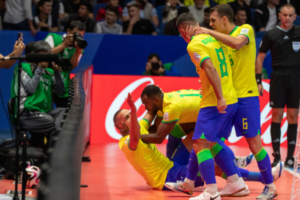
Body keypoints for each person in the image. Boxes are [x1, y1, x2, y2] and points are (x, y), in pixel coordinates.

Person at [181, 4, 278, 199]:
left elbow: (237, 43)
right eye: (209, 22)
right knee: (206, 141)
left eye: (213, 21)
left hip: (246, 98)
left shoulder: (245, 29)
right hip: (229, 97)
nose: (211, 24)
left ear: (224, 19)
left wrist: (207, 31)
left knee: (254, 144)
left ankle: (270, 186)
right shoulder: (218, 41)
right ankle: (227, 182)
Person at [115, 93, 283, 192]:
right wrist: (134, 110)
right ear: (121, 126)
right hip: (167, 177)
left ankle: (232, 161)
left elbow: (150, 113)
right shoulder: (126, 141)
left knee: (197, 135)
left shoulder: (139, 126)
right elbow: (137, 138)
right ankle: (260, 177)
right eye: (128, 117)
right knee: (210, 164)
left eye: (130, 114)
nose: (132, 116)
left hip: (171, 164)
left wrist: (154, 100)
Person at [173, 13, 245, 200]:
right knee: (210, 142)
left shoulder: (194, 45)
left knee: (200, 144)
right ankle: (235, 182)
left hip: (215, 102)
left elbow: (211, 68)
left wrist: (219, 96)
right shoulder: (214, 38)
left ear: (183, 31)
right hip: (231, 97)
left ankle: (211, 192)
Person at [256, 4, 300, 169]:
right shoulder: (271, 34)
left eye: (291, 15)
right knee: (277, 116)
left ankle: (290, 158)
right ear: (279, 16)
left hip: (296, 77)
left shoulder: (299, 32)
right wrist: (259, 81)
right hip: (278, 78)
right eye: (285, 15)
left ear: (295, 17)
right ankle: (276, 157)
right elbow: (260, 58)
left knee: (293, 118)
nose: (287, 18)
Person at [10, 41, 65, 147]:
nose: (45, 60)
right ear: (35, 55)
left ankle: (47, 151)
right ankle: (51, 154)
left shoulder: (49, 71)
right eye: (41, 56)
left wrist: (57, 73)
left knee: (63, 111)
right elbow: (30, 89)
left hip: (43, 112)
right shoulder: (23, 68)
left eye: (47, 56)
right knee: (53, 123)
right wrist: (39, 68)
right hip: (26, 112)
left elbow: (60, 92)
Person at [140, 86, 200, 158]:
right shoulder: (162, 101)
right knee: (173, 131)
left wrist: (135, 137)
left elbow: (159, 138)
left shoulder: (171, 108)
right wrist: (137, 132)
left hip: (211, 115)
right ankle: (172, 162)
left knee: (180, 159)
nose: (145, 108)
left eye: (146, 104)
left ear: (156, 100)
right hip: (197, 113)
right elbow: (156, 129)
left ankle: (178, 163)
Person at [44, 21, 85, 108]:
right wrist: (64, 45)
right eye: (75, 34)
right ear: (68, 31)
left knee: (64, 116)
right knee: (46, 112)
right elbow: (44, 55)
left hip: (63, 85)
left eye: (80, 36)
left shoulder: (79, 48)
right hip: (46, 83)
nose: (77, 38)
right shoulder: (53, 37)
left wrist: (77, 51)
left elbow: (72, 67)